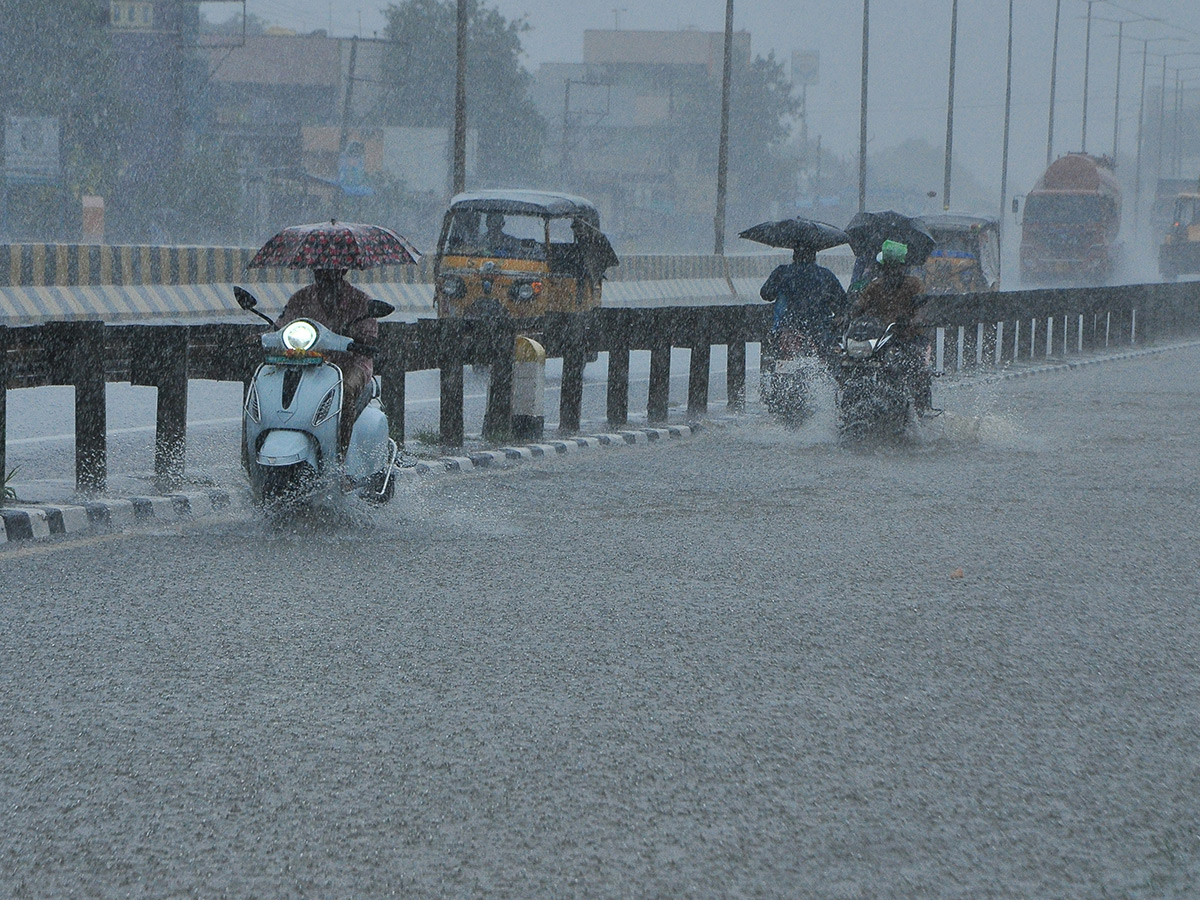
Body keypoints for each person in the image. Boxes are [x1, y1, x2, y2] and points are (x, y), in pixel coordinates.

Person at [275, 268, 378, 454]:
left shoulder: (361, 301)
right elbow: (282, 326)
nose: (324, 274)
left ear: (343, 271)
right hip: (309, 364)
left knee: (344, 391)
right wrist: (261, 337)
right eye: (320, 269)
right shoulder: (300, 298)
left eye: (331, 270)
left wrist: (356, 339)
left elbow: (369, 335)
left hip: (351, 365)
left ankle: (340, 458)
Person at [850, 239, 934, 414]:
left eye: (895, 268)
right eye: (888, 268)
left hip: (909, 337)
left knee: (919, 368)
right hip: (881, 339)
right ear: (883, 268)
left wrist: (912, 321)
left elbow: (923, 309)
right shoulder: (875, 286)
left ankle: (922, 408)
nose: (892, 272)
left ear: (903, 268)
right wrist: (847, 316)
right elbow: (859, 306)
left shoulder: (914, 285)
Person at [759, 244, 848, 360]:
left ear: (794, 256)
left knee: (782, 360)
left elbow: (766, 294)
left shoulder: (782, 272)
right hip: (819, 328)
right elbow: (842, 301)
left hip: (789, 326)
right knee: (825, 360)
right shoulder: (825, 275)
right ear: (814, 257)